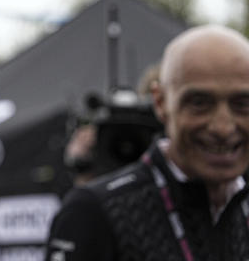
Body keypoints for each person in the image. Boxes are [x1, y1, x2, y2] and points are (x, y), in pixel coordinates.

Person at [45, 25, 249, 260]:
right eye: (199, 103)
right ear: (161, 103)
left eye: (242, 103)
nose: (222, 127)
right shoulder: (94, 212)